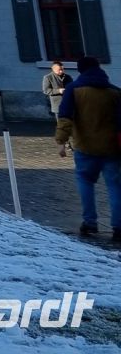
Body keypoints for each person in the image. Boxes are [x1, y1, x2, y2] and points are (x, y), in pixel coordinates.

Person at [54, 55, 121, 240]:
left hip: (85, 146)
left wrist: (61, 142)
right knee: (115, 187)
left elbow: (65, 116)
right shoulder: (114, 91)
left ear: (80, 69)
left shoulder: (74, 89)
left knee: (85, 183)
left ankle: (90, 223)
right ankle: (118, 226)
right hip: (111, 148)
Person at [44, 61, 73, 156]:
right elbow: (46, 90)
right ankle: (65, 144)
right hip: (58, 106)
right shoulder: (48, 77)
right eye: (59, 70)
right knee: (62, 125)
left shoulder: (68, 77)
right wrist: (58, 91)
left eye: (62, 69)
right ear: (53, 69)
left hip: (69, 104)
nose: (61, 71)